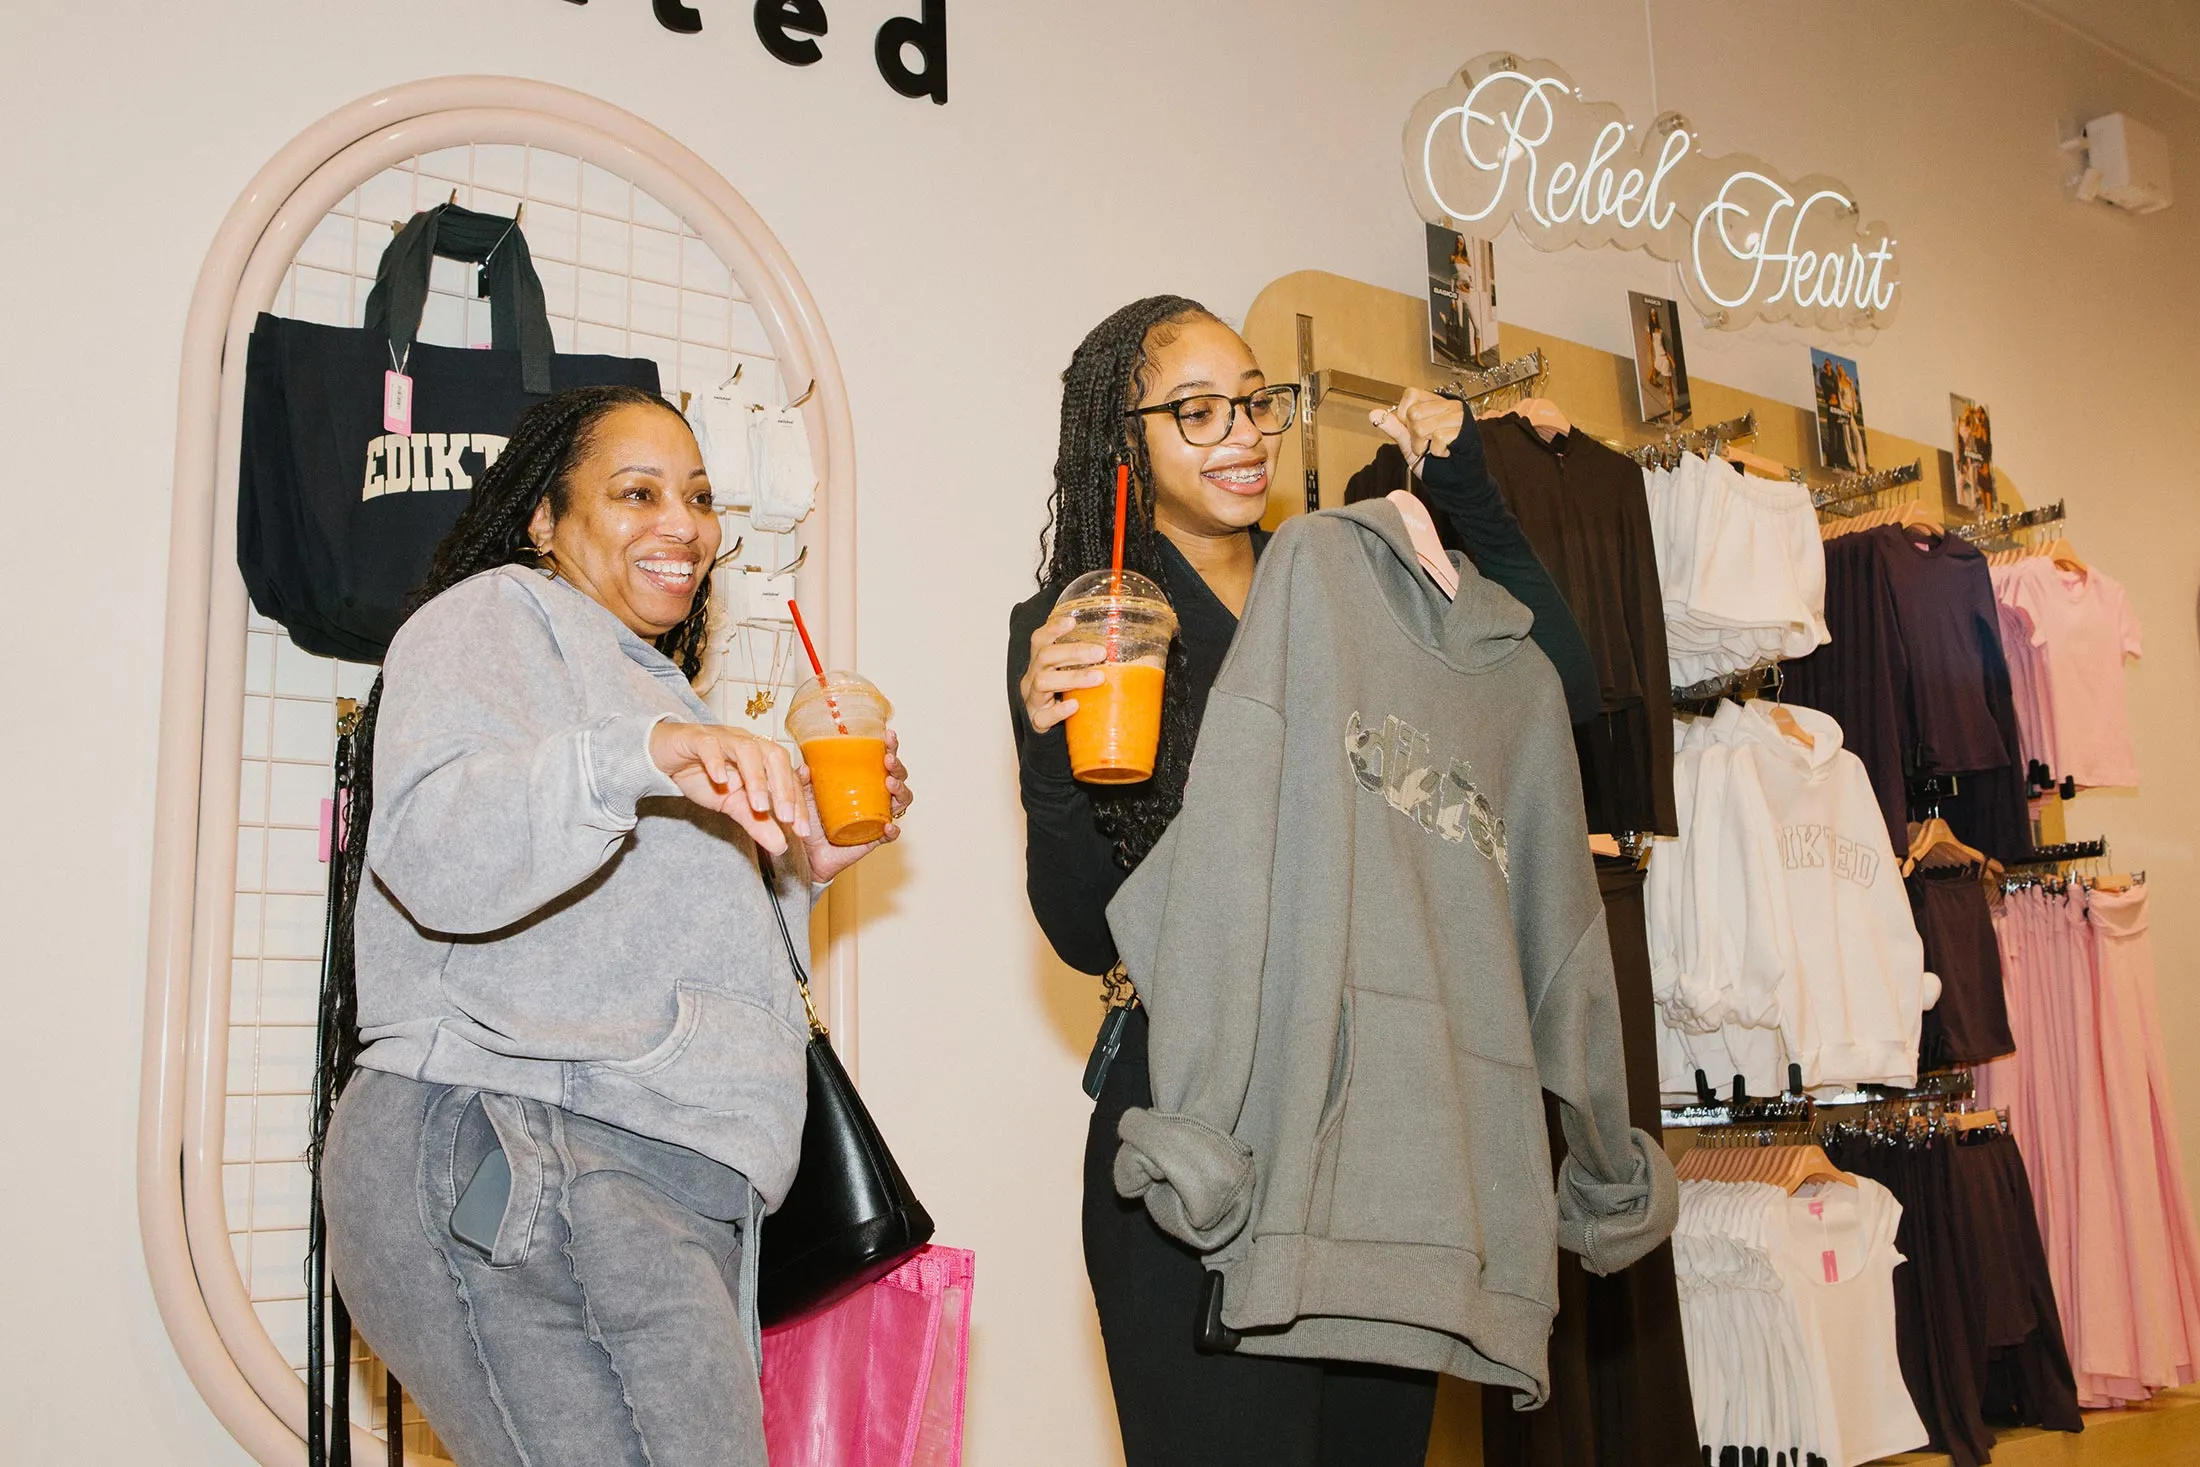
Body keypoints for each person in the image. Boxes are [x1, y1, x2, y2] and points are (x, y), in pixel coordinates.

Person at [1006, 295, 1595, 1466]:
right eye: (1196, 410)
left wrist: (1466, 485)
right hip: (1195, 1117)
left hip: (1375, 1123)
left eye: (1255, 401)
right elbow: (1082, 933)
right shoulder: (1086, 621)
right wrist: (1045, 750)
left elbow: (1560, 684)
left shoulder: (1349, 591)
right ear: (1124, 440)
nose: (1242, 433)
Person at [317, 384, 912, 1467]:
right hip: (539, 1139)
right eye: (636, 492)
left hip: (638, 1172)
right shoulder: (495, 616)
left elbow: (657, 943)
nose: (682, 524)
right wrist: (635, 756)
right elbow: (435, 849)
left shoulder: (654, 689)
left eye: (695, 496)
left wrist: (804, 870)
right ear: (543, 520)